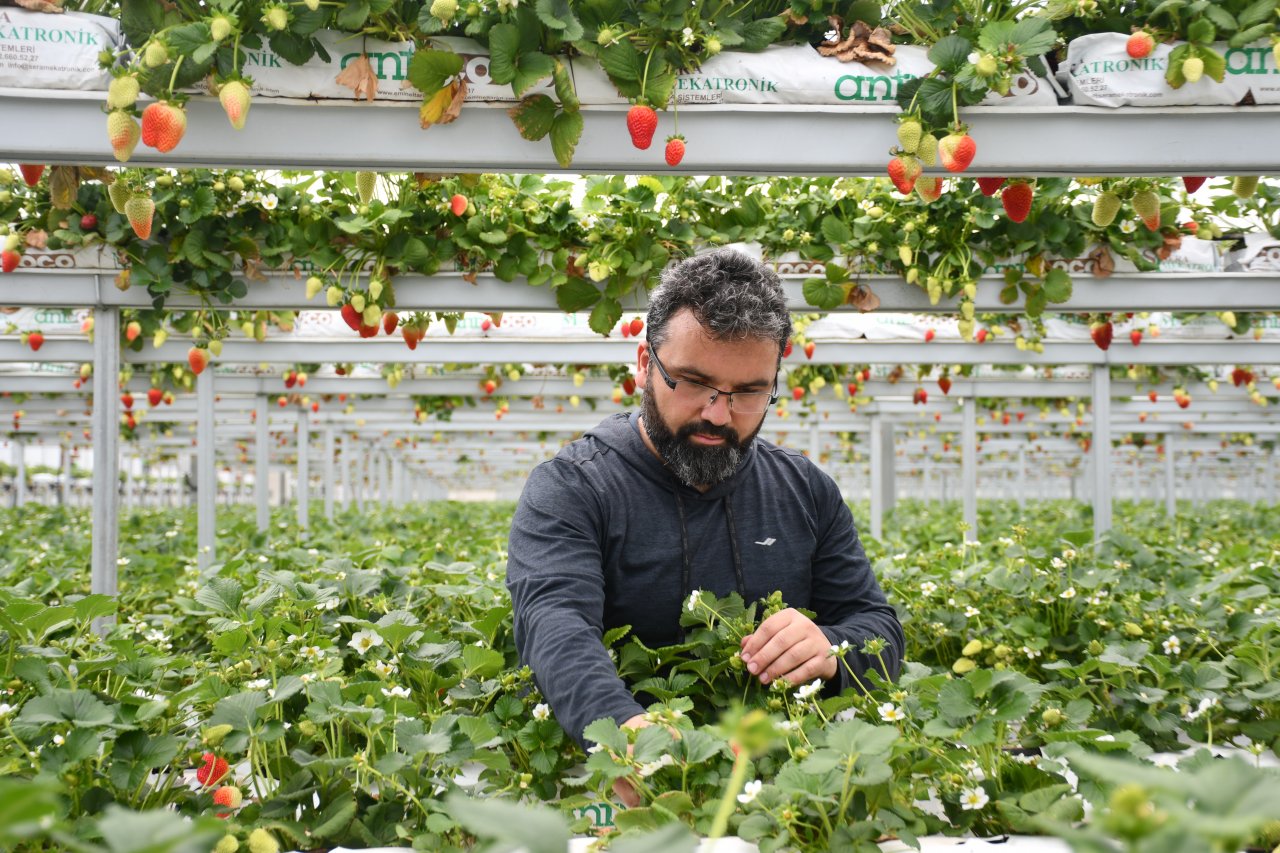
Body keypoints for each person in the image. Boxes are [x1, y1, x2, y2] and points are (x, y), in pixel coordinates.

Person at [505, 248, 904, 766]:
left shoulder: (805, 490)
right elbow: (554, 623)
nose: (718, 414)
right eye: (694, 383)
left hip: (785, 772)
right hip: (618, 775)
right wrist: (626, 734)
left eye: (749, 393)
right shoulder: (573, 488)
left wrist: (830, 648)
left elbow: (877, 624)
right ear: (646, 364)